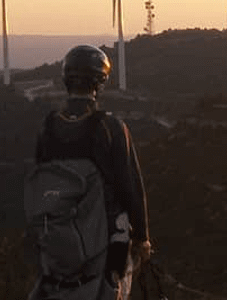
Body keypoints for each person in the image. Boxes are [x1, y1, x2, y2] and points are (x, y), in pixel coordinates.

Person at [30, 45, 153, 300]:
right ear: (101, 81)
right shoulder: (111, 127)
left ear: (66, 79)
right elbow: (131, 187)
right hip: (108, 245)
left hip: (58, 245)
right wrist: (142, 238)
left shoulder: (49, 128)